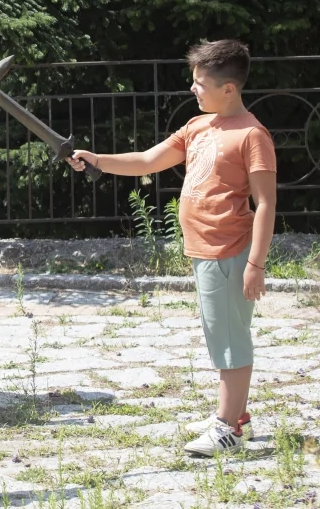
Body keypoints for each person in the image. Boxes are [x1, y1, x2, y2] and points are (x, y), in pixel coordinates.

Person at [67, 40, 277, 456]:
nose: (193, 89)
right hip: (204, 252)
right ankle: (238, 416)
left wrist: (255, 263)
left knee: (231, 340)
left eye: (200, 83)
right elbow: (147, 161)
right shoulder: (199, 127)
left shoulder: (252, 135)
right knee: (221, 335)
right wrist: (98, 159)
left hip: (229, 252)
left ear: (229, 89)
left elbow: (266, 202)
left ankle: (227, 429)